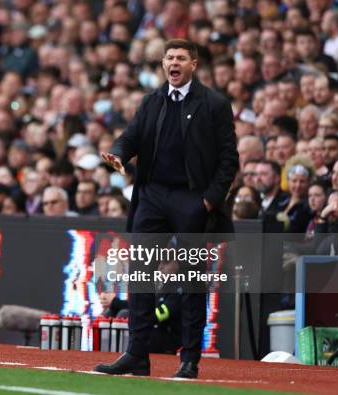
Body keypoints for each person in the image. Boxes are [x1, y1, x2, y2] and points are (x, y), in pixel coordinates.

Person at [96, 39, 238, 378]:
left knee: (190, 281)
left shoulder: (214, 104)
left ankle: (189, 359)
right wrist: (118, 152)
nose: (174, 63)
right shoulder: (151, 101)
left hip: (192, 199)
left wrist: (208, 199)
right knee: (141, 276)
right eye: (169, 58)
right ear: (162, 64)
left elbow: (229, 159)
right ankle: (136, 354)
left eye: (181, 58)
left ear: (194, 64)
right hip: (153, 197)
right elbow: (132, 136)